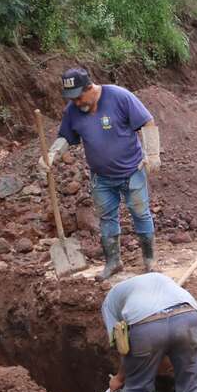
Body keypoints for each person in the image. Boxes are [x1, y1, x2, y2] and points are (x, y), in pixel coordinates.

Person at [40, 68, 161, 280]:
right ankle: (113, 263)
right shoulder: (73, 111)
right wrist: (51, 154)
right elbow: (66, 137)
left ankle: (150, 260)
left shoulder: (119, 96)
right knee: (106, 219)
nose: (76, 103)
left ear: (90, 87)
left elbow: (147, 121)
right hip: (101, 177)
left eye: (78, 97)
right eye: (72, 99)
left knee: (141, 213)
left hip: (132, 171)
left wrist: (152, 154)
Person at [101, 272, 197, 392]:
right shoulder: (159, 279)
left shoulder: (109, 303)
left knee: (138, 390)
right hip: (189, 314)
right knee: (189, 383)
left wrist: (119, 378)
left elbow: (123, 347)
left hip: (146, 323)